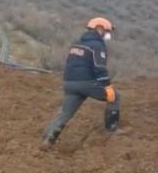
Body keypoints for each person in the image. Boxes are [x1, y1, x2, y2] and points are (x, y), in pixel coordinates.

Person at [42, 17, 120, 147]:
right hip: (85, 83)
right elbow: (99, 68)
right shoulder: (97, 45)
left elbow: (69, 63)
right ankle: (111, 130)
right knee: (115, 97)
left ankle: (48, 139)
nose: (108, 35)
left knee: (65, 112)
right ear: (99, 29)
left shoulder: (77, 43)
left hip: (69, 83)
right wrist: (107, 86)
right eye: (107, 31)